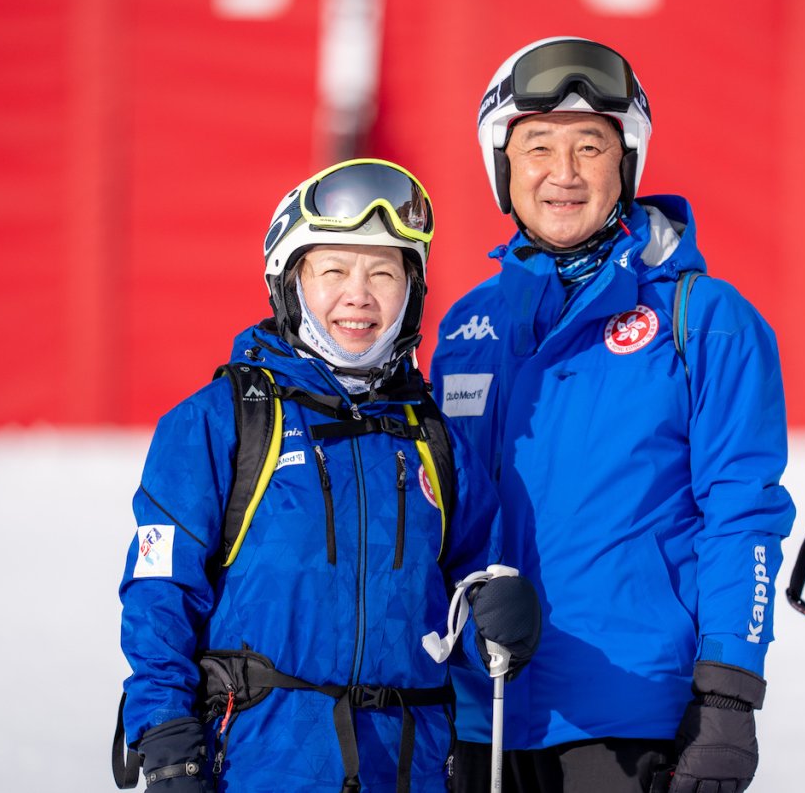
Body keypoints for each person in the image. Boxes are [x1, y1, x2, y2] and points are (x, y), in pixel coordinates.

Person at [431, 37, 796, 793]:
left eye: (590, 146)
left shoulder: (708, 321)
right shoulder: (467, 330)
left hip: (630, 724)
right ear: (500, 162)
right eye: (537, 146)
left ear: (626, 162)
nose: (562, 174)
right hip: (478, 717)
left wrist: (729, 695)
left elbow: (744, 519)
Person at [117, 159, 541, 793]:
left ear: (412, 290)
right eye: (334, 270)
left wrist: (497, 607)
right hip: (257, 769)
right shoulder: (221, 424)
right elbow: (159, 597)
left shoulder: (433, 438)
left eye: (383, 272)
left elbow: (476, 576)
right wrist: (168, 742)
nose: (359, 295)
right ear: (291, 282)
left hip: (408, 771)